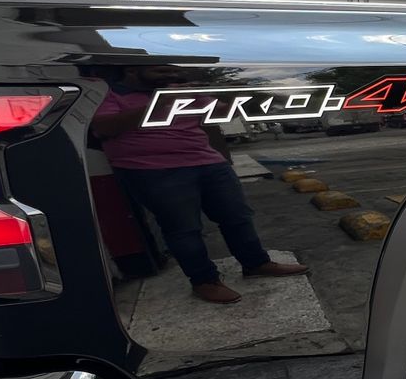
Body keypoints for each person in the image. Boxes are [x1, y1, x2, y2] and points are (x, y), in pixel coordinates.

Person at [90, 66, 308, 304]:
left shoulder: (182, 90)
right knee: (183, 229)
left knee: (237, 216)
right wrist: (162, 102)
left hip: (208, 160)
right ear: (133, 70)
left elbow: (219, 111)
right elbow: (104, 127)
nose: (170, 76)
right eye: (161, 71)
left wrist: (237, 97)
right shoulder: (109, 93)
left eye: (173, 72)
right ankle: (204, 282)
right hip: (150, 169)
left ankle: (256, 264)